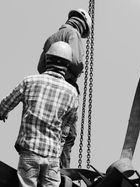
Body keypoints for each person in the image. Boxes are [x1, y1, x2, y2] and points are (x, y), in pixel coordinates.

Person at [0, 41, 79, 187]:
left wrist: (1, 112)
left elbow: (6, 103)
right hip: (52, 156)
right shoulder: (71, 92)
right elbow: (68, 127)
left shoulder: (30, 81)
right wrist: (58, 145)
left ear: (47, 60)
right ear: (67, 65)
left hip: (30, 153)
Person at [37, 8, 92, 168]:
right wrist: (78, 69)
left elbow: (40, 67)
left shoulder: (51, 38)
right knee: (68, 135)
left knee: (49, 128)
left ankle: (44, 167)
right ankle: (61, 172)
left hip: (47, 88)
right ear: (83, 26)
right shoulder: (72, 34)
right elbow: (75, 62)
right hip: (66, 87)